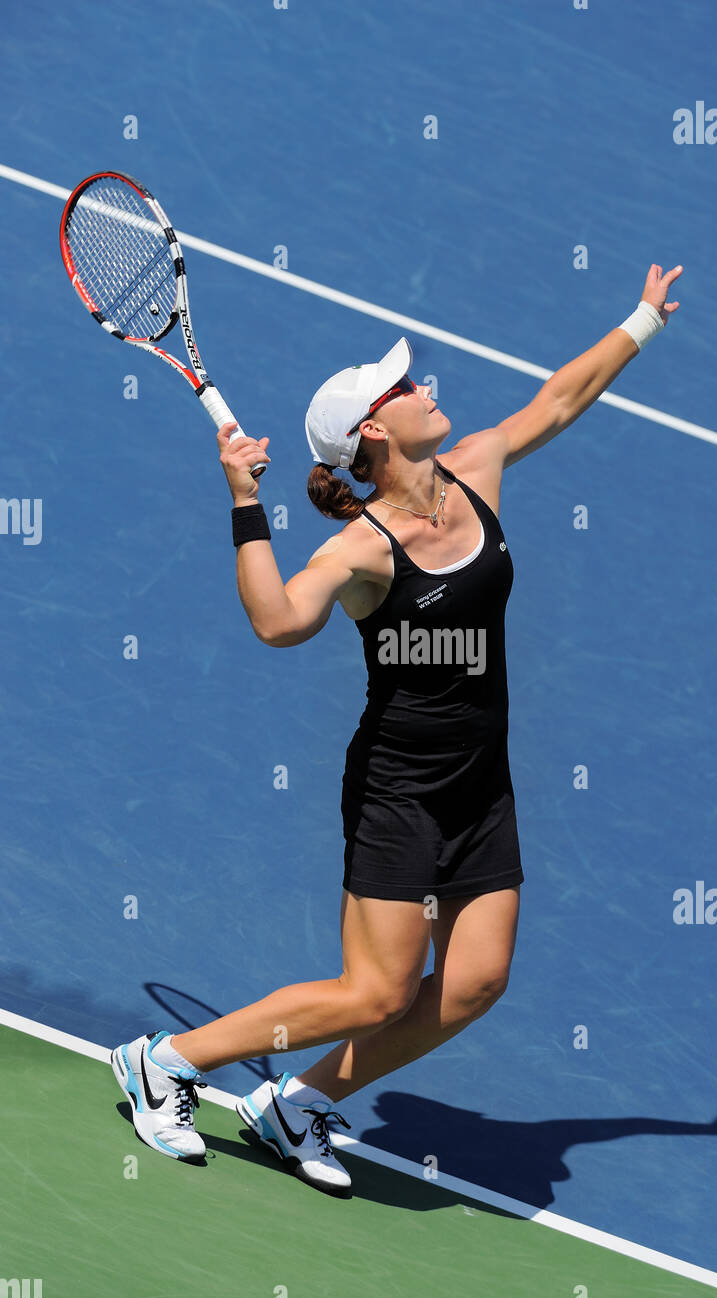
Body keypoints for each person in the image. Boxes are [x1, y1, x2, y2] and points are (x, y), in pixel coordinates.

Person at [111, 263, 683, 1198]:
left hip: (479, 784)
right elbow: (279, 622)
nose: (427, 389)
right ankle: (164, 1061)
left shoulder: (479, 474)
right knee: (374, 992)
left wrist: (643, 319)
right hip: (401, 792)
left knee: (472, 985)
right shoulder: (363, 549)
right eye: (407, 388)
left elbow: (562, 398)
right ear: (375, 431)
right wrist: (243, 501)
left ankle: (293, 1102)